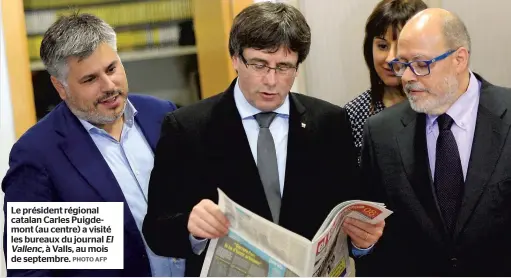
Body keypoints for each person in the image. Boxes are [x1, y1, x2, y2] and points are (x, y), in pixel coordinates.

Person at [142, 2, 385, 276]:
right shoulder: (186, 128)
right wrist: (192, 227)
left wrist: (362, 242)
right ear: (235, 57)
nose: (271, 80)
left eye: (284, 67)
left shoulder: (330, 122)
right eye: (259, 64)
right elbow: (156, 230)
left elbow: (349, 214)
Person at [2, 13, 184, 276]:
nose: (109, 86)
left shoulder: (162, 115)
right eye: (90, 79)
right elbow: (30, 273)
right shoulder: (37, 154)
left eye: (112, 69)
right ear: (60, 87)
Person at [359, 8, 511, 276]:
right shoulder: (382, 132)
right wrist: (362, 244)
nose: (406, 77)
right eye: (401, 64)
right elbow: (374, 236)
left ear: (459, 59)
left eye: (420, 64)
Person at [345, 0, 427, 163]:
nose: (391, 58)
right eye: (382, 46)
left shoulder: (437, 105)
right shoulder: (353, 115)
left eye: (401, 46)